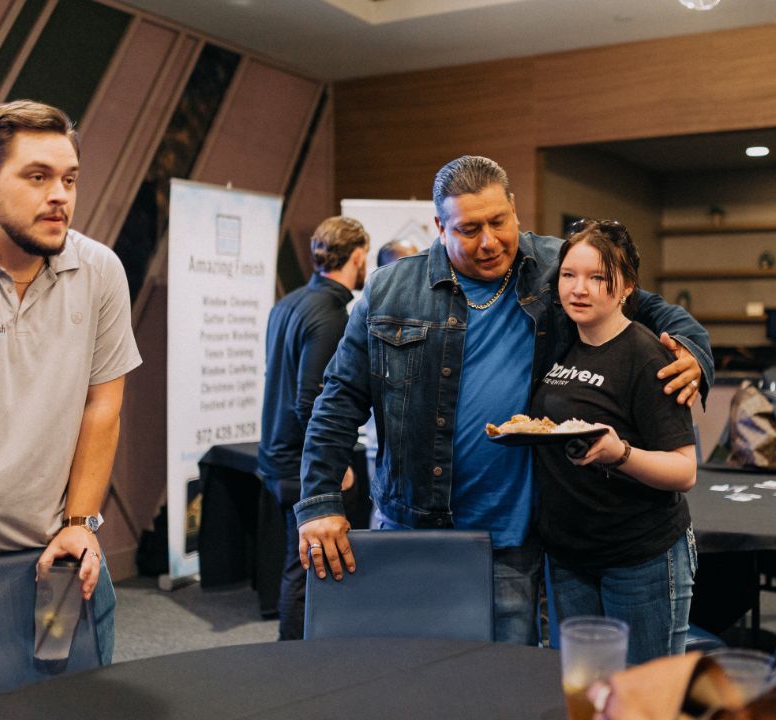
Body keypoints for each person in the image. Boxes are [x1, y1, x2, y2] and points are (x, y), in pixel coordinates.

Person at [296, 155, 712, 645]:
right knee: (407, 670)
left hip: (512, 539)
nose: (490, 241)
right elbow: (340, 397)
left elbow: (651, 307)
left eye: (499, 221)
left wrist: (694, 351)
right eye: (469, 229)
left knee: (502, 680)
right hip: (412, 526)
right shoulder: (391, 289)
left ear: (514, 208)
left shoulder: (556, 267)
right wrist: (320, 500)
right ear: (440, 227)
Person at [0, 100, 141, 664]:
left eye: (69, 179)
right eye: (37, 177)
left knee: (68, 698)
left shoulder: (99, 270)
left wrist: (80, 522)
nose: (60, 196)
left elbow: (102, 406)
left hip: (52, 557)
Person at [529, 219, 697, 664]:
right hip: (568, 557)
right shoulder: (563, 343)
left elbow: (684, 471)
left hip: (638, 557)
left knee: (641, 694)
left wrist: (620, 453)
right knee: (585, 691)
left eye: (597, 277)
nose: (578, 289)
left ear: (626, 287)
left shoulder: (647, 354)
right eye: (569, 275)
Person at [258, 216, 369, 640]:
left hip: (276, 454)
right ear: (357, 256)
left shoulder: (288, 303)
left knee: (299, 564)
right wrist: (332, 466)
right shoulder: (331, 314)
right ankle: (294, 659)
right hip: (299, 461)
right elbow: (311, 401)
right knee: (306, 569)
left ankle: (297, 657)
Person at [362, 237, 422, 485]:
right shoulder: (368, 318)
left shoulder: (430, 314)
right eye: (407, 263)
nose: (416, 271)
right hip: (383, 453)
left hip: (425, 456)